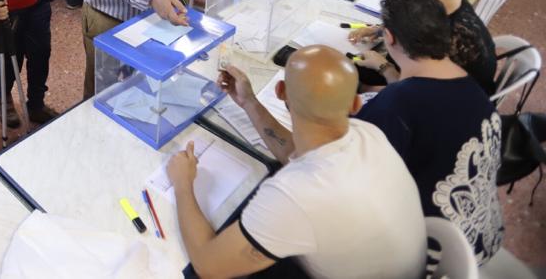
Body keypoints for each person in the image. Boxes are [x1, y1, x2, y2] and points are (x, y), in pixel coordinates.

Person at [167, 46, 426, 279]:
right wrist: (248, 101)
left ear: (281, 92)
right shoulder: (367, 133)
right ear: (356, 103)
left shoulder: (295, 194)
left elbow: (208, 267)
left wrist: (182, 183)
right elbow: (296, 151)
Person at [354, 0, 503, 264]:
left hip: (431, 257)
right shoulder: (475, 91)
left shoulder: (395, 106)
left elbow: (341, 169)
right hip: (482, 239)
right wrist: (387, 70)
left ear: (389, 38)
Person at [349, 0, 496, 94]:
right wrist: (380, 30)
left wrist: (379, 72)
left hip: (449, 106)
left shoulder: (454, 38)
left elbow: (419, 95)